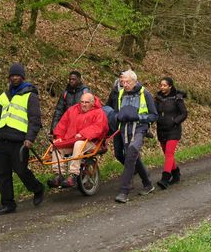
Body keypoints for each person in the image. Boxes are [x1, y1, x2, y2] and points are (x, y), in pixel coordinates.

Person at [0, 62, 45, 215]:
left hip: (20, 142)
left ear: (23, 77)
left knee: (21, 171)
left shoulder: (30, 95)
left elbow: (35, 120)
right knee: (2, 173)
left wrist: (30, 138)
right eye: (12, 75)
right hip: (2, 141)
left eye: (17, 75)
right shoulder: (3, 97)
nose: (14, 78)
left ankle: (38, 188)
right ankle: (8, 203)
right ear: (9, 77)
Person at [114, 70, 158, 203]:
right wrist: (117, 116)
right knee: (133, 157)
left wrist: (138, 117)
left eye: (128, 82)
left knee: (131, 152)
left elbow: (154, 115)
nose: (125, 84)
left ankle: (124, 191)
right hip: (124, 130)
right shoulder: (121, 93)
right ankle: (148, 184)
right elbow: (117, 112)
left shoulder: (144, 93)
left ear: (135, 81)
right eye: (123, 82)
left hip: (139, 128)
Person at [48, 92, 109, 188]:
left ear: (92, 103)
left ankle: (73, 175)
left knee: (79, 144)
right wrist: (58, 138)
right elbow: (62, 126)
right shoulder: (72, 110)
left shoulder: (99, 113)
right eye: (82, 102)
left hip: (92, 142)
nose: (83, 104)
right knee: (56, 147)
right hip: (72, 141)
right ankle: (58, 174)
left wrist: (83, 134)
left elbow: (99, 127)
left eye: (86, 102)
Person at [154, 76, 188, 189]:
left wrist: (175, 122)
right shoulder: (158, 98)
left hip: (173, 130)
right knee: (167, 154)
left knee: (169, 153)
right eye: (161, 85)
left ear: (170, 86)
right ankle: (176, 173)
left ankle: (165, 178)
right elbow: (154, 112)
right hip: (161, 130)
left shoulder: (177, 98)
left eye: (165, 85)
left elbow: (184, 113)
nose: (162, 87)